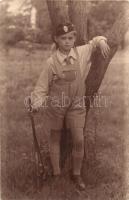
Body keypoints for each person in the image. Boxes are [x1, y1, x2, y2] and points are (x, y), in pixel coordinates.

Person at [25, 22, 110, 190]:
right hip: (56, 105)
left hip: (77, 104)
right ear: (56, 39)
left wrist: (100, 41)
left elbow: (93, 42)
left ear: (75, 38)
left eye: (70, 38)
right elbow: (42, 88)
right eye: (63, 38)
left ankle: (76, 174)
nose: (67, 41)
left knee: (79, 139)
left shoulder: (82, 52)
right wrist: (35, 104)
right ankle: (56, 173)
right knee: (55, 137)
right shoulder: (51, 62)